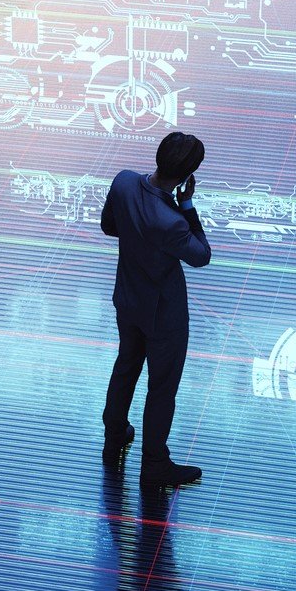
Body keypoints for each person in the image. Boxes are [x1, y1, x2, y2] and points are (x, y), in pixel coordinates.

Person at [101, 131, 211, 489]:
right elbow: (201, 255)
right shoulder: (172, 220)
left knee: (126, 366)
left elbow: (108, 226)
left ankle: (115, 435)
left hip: (128, 299)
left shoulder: (123, 182)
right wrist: (187, 207)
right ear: (188, 174)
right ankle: (155, 464)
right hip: (164, 315)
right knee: (162, 388)